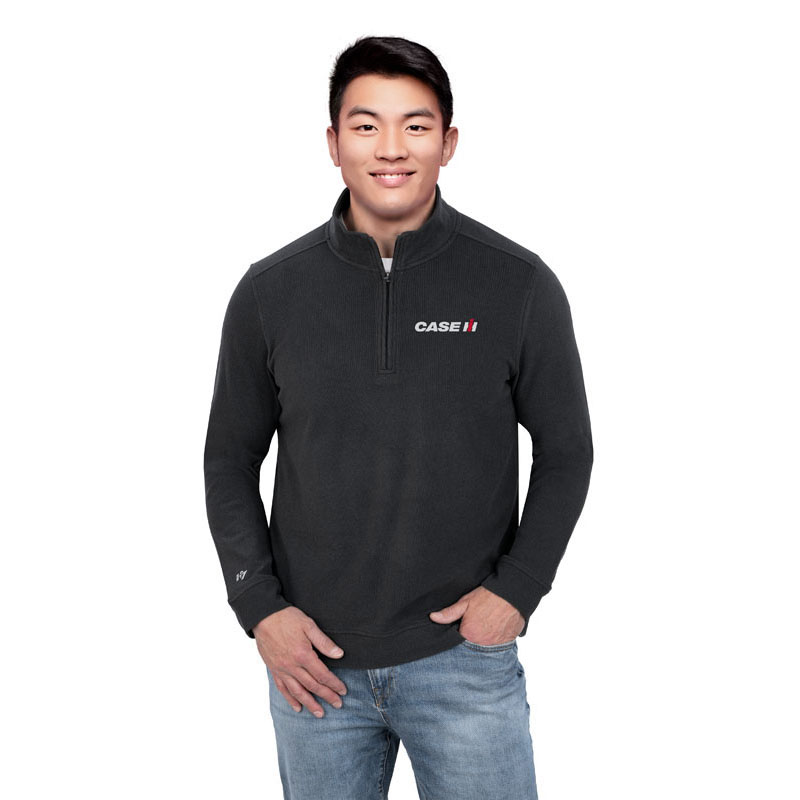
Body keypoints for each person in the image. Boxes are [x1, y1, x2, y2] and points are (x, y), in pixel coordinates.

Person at [203, 35, 593, 800]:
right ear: (333, 143)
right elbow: (228, 458)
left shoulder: (517, 284)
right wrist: (259, 608)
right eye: (366, 125)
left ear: (449, 143)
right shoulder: (268, 294)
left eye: (416, 126)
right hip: (313, 670)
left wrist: (517, 591)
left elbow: (567, 450)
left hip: (464, 663)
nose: (391, 148)